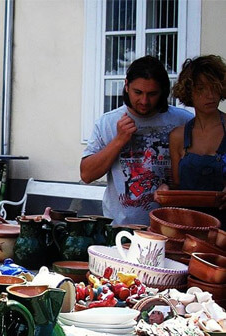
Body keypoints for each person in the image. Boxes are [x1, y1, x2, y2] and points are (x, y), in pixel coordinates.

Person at [80, 56, 193, 225]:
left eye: (152, 94)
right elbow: (86, 174)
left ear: (163, 91)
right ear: (126, 85)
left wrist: (174, 190)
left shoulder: (183, 121)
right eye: (138, 92)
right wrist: (119, 140)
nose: (144, 101)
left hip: (170, 227)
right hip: (120, 230)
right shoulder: (108, 122)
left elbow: (196, 176)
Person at [155, 55, 226, 208]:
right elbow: (178, 186)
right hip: (190, 222)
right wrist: (165, 190)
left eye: (214, 87)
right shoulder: (178, 136)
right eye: (201, 89)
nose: (210, 95)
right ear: (189, 92)